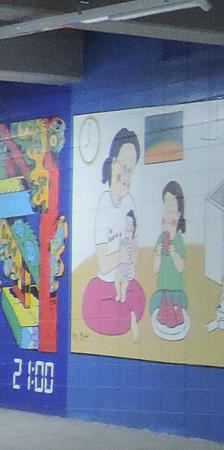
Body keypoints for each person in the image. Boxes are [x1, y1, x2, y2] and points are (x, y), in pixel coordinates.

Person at [83, 127, 146, 337]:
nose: (126, 174)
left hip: (125, 283)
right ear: (112, 163)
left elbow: (134, 252)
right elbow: (103, 265)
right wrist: (121, 256)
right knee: (92, 308)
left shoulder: (130, 204)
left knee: (139, 296)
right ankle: (127, 316)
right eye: (123, 166)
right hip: (105, 283)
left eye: (131, 169)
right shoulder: (103, 204)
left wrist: (130, 266)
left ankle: (126, 314)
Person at [151, 181, 189, 334]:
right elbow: (155, 269)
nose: (168, 214)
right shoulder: (161, 239)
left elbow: (180, 267)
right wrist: (158, 255)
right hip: (162, 289)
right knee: (157, 306)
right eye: (166, 210)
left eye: (172, 210)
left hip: (176, 290)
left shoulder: (178, 240)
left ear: (178, 215)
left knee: (178, 309)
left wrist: (174, 254)